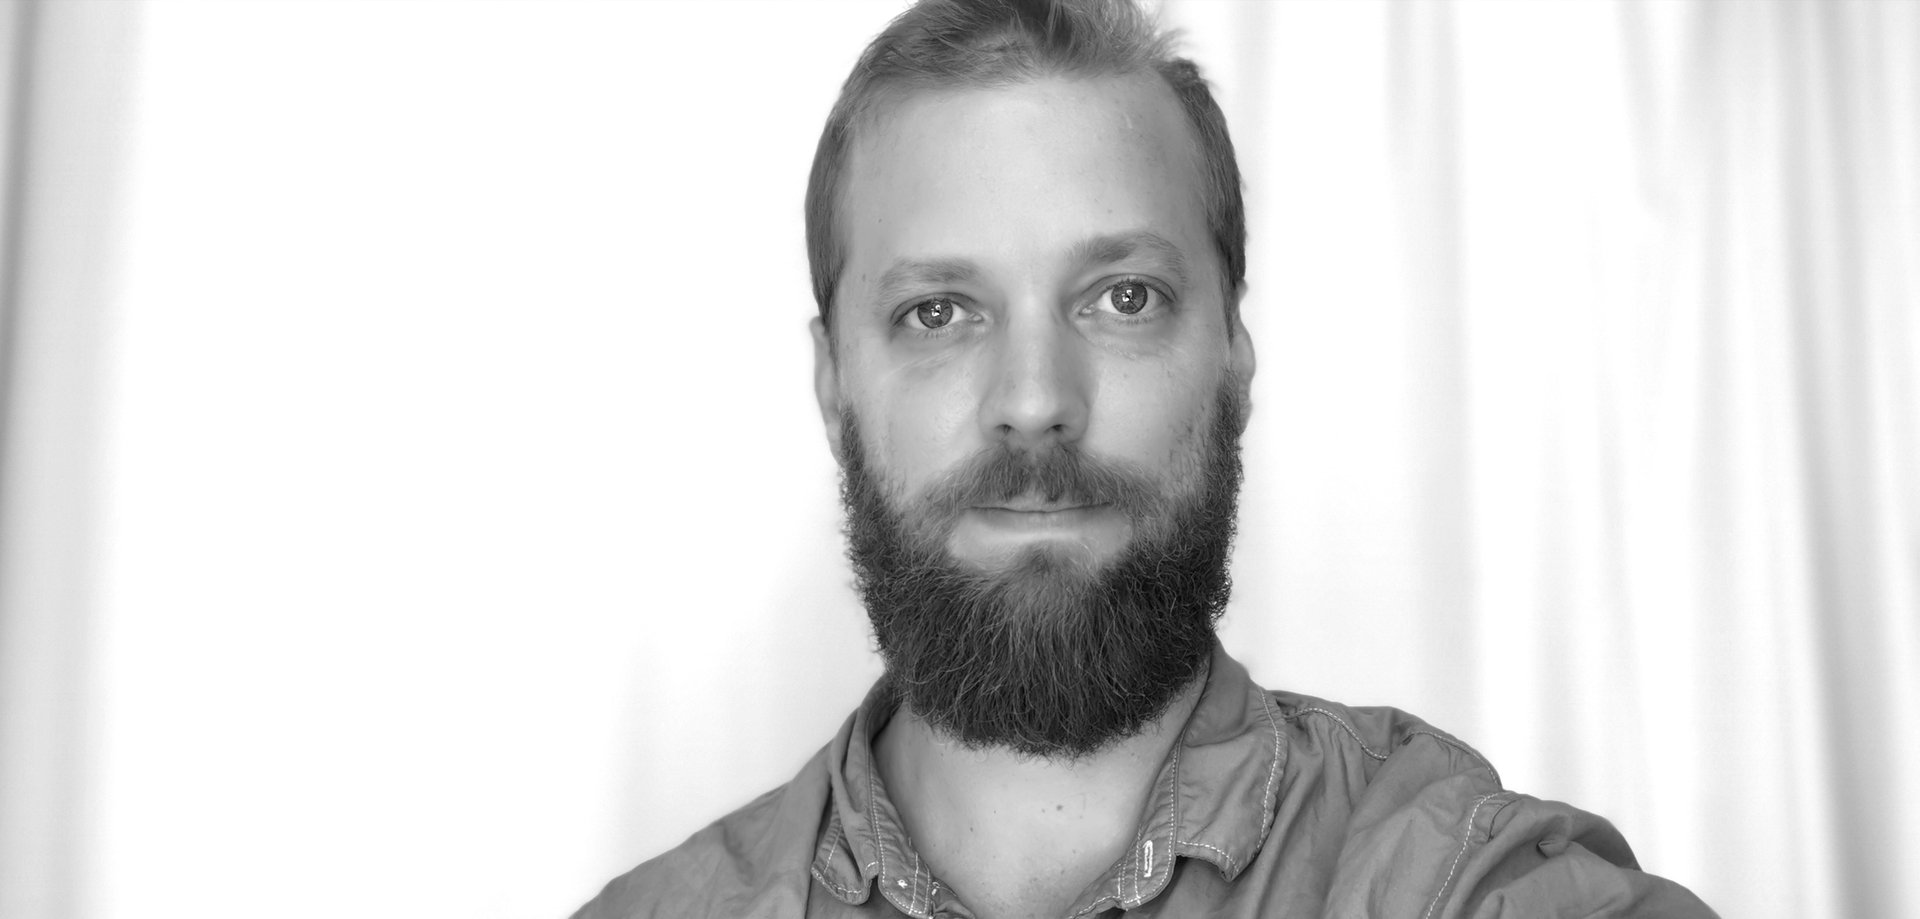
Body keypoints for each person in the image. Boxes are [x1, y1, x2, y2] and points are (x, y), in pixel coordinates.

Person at [575, 1, 1716, 916]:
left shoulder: (1467, 887)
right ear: (834, 384)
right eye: (938, 312)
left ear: (1233, 357)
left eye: (1123, 297)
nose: (1035, 403)